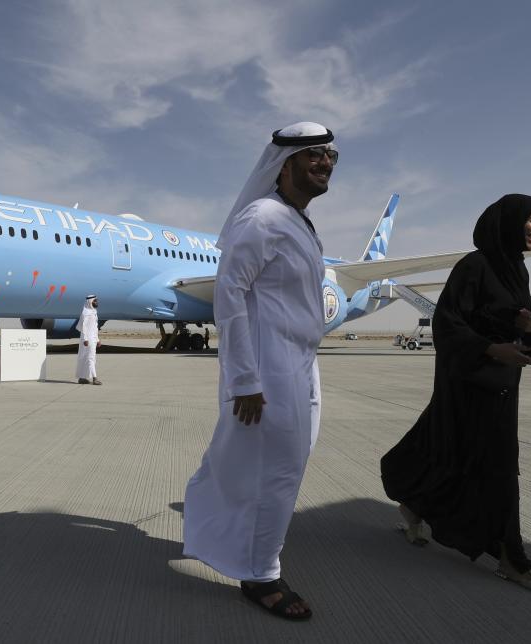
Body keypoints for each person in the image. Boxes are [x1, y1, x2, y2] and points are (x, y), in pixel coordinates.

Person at [183, 122, 338, 622]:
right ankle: (261, 575)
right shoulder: (263, 217)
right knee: (277, 471)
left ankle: (233, 537)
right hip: (269, 367)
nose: (325, 163)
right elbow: (229, 296)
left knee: (285, 464)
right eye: (313, 155)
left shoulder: (299, 222)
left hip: (301, 362)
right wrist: (244, 380)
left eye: (330, 155)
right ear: (284, 163)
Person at [380, 195, 531, 596]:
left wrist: (529, 330)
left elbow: (508, 324)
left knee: (444, 448)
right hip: (467, 381)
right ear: (510, 222)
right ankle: (512, 559)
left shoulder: (516, 269)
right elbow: (448, 324)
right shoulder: (473, 266)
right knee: (497, 468)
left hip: (501, 383)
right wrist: (493, 348)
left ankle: (412, 505)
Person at [76, 295, 101, 385]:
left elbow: (95, 327)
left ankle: (82, 378)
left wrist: (97, 339)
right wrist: (85, 339)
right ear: (90, 302)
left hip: (93, 338)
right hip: (87, 339)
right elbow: (84, 327)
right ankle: (95, 378)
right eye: (95, 301)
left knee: (86, 358)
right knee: (90, 358)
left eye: (96, 301)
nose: (96, 302)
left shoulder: (94, 312)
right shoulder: (85, 312)